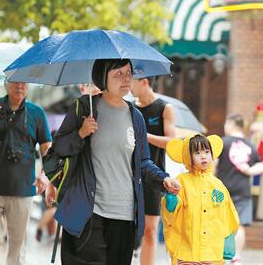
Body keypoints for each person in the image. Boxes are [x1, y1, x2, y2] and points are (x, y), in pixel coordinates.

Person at [50, 59, 180, 265]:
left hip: (125, 215)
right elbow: (57, 151)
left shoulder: (135, 116)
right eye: (118, 73)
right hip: (89, 211)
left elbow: (143, 161)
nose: (127, 78)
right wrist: (81, 133)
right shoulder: (84, 107)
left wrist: (163, 179)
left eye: (129, 72)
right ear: (103, 78)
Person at [0, 80, 52, 265]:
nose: (20, 86)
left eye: (24, 82)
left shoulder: (36, 112)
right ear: (6, 83)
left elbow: (47, 146)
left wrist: (45, 174)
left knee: (17, 245)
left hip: (22, 189)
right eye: (15, 81)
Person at [161, 134, 239, 264]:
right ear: (187, 156)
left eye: (207, 152)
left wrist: (228, 238)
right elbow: (170, 212)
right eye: (197, 153)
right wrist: (171, 200)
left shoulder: (218, 185)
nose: (203, 156)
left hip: (211, 252)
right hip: (187, 250)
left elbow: (228, 213)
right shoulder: (181, 181)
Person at [131, 77, 176, 265]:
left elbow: (172, 141)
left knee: (150, 230)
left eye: (131, 80)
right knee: (128, 230)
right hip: (129, 173)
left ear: (144, 81)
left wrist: (145, 136)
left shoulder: (165, 108)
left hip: (154, 175)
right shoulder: (129, 108)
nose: (128, 86)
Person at [215, 114, 263, 265]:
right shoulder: (250, 144)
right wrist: (249, 171)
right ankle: (235, 257)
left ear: (230, 124)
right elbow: (261, 165)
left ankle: (220, 255)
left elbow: (213, 163)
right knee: (240, 224)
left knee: (220, 222)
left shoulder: (223, 142)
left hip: (222, 188)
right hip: (243, 189)